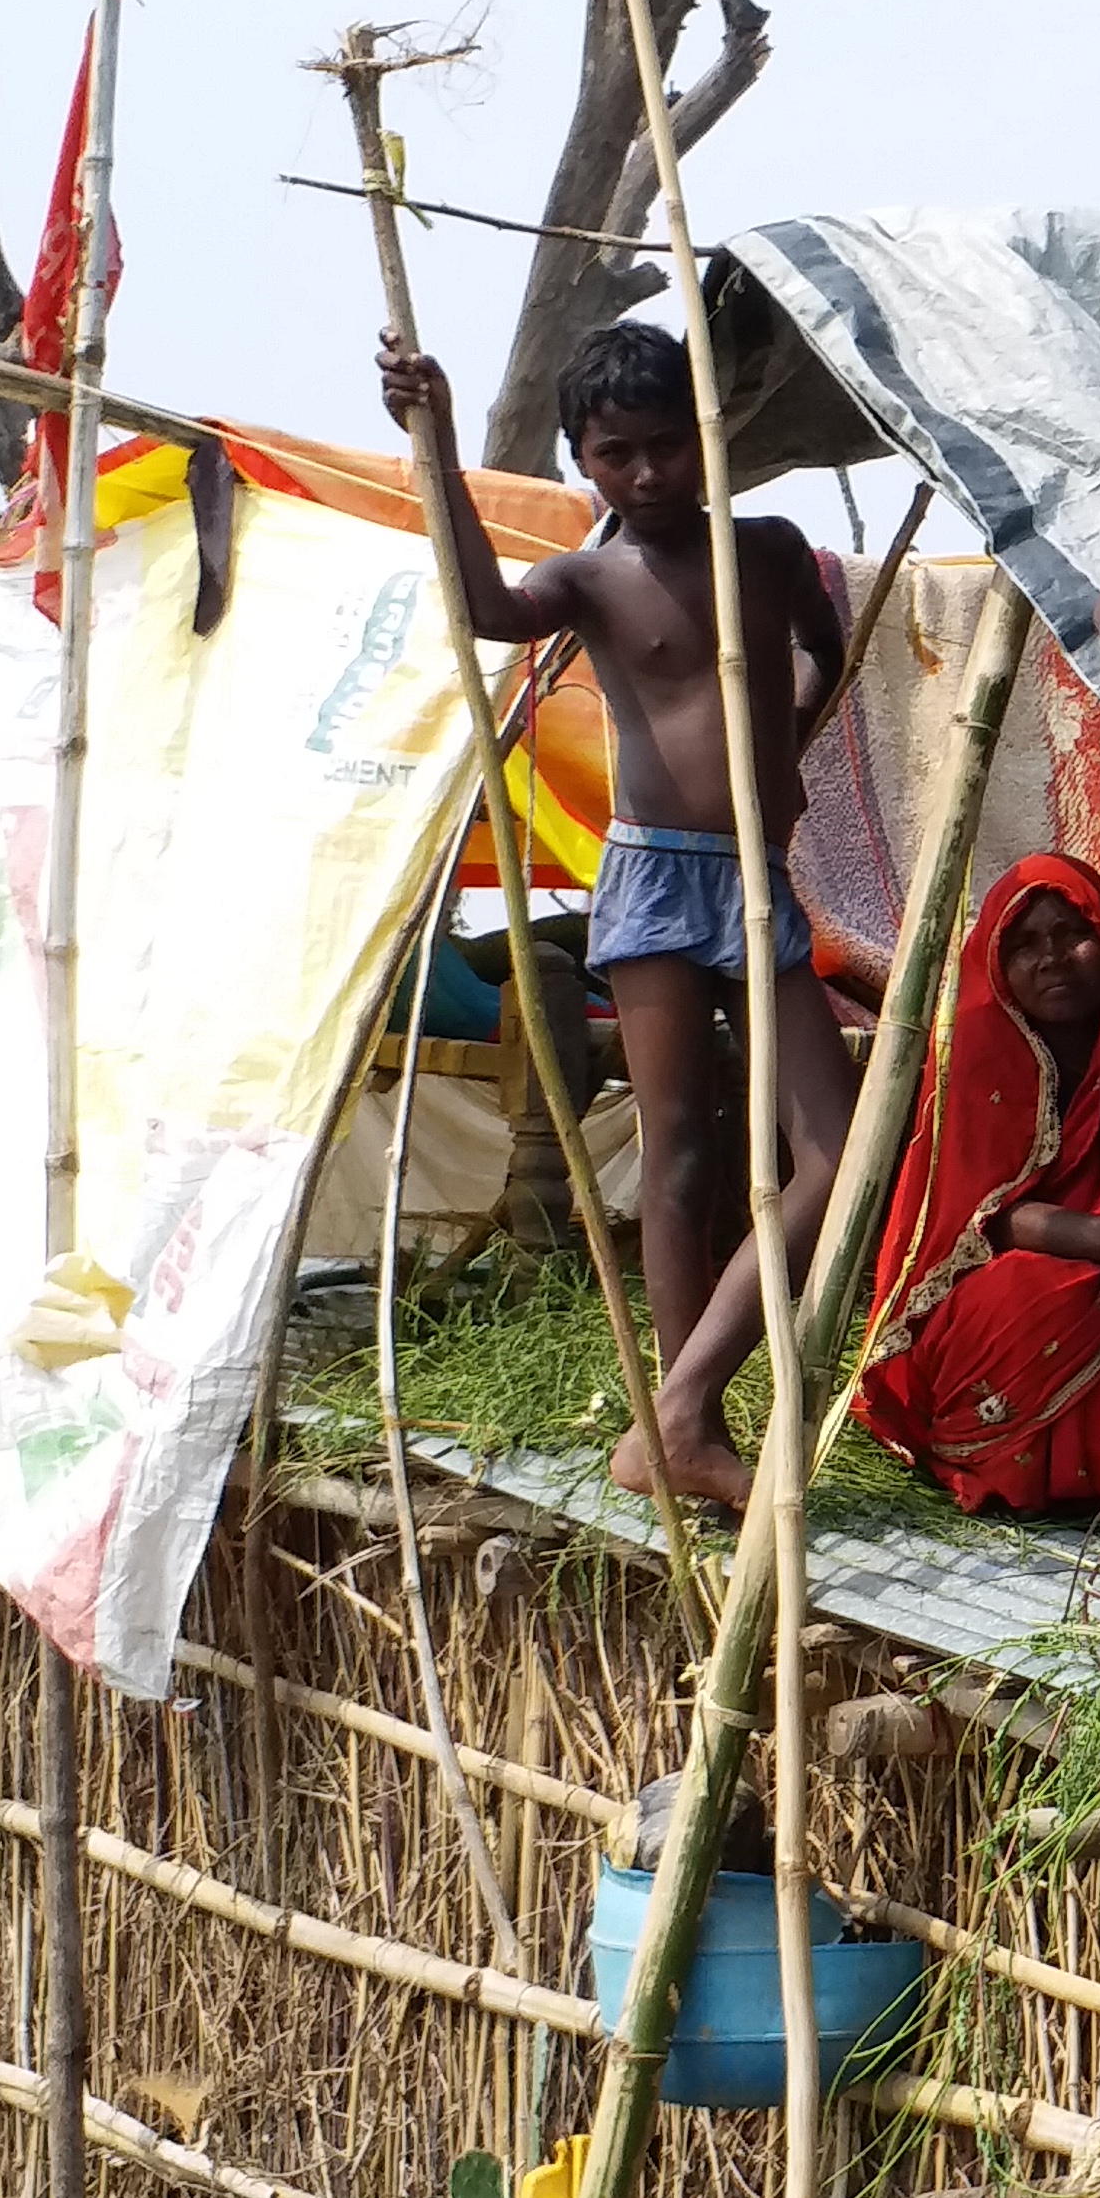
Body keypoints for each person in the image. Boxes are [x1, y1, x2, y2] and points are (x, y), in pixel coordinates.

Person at [380, 320, 860, 1512]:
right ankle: (680, 1421)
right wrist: (431, 442)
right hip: (652, 876)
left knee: (837, 1152)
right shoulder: (591, 576)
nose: (644, 475)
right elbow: (488, 608)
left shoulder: (769, 549)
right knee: (682, 1153)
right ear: (582, 460)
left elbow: (822, 645)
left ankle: (688, 1407)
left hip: (755, 874)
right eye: (613, 454)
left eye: (664, 447)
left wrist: (786, 740)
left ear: (707, 442)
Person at [849, 854, 1100, 1514]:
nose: (1051, 957)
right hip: (1012, 1285)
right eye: (1023, 943)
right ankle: (1029, 1468)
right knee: (1028, 1293)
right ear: (995, 962)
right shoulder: (970, 1060)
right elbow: (982, 1218)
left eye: (1070, 933)